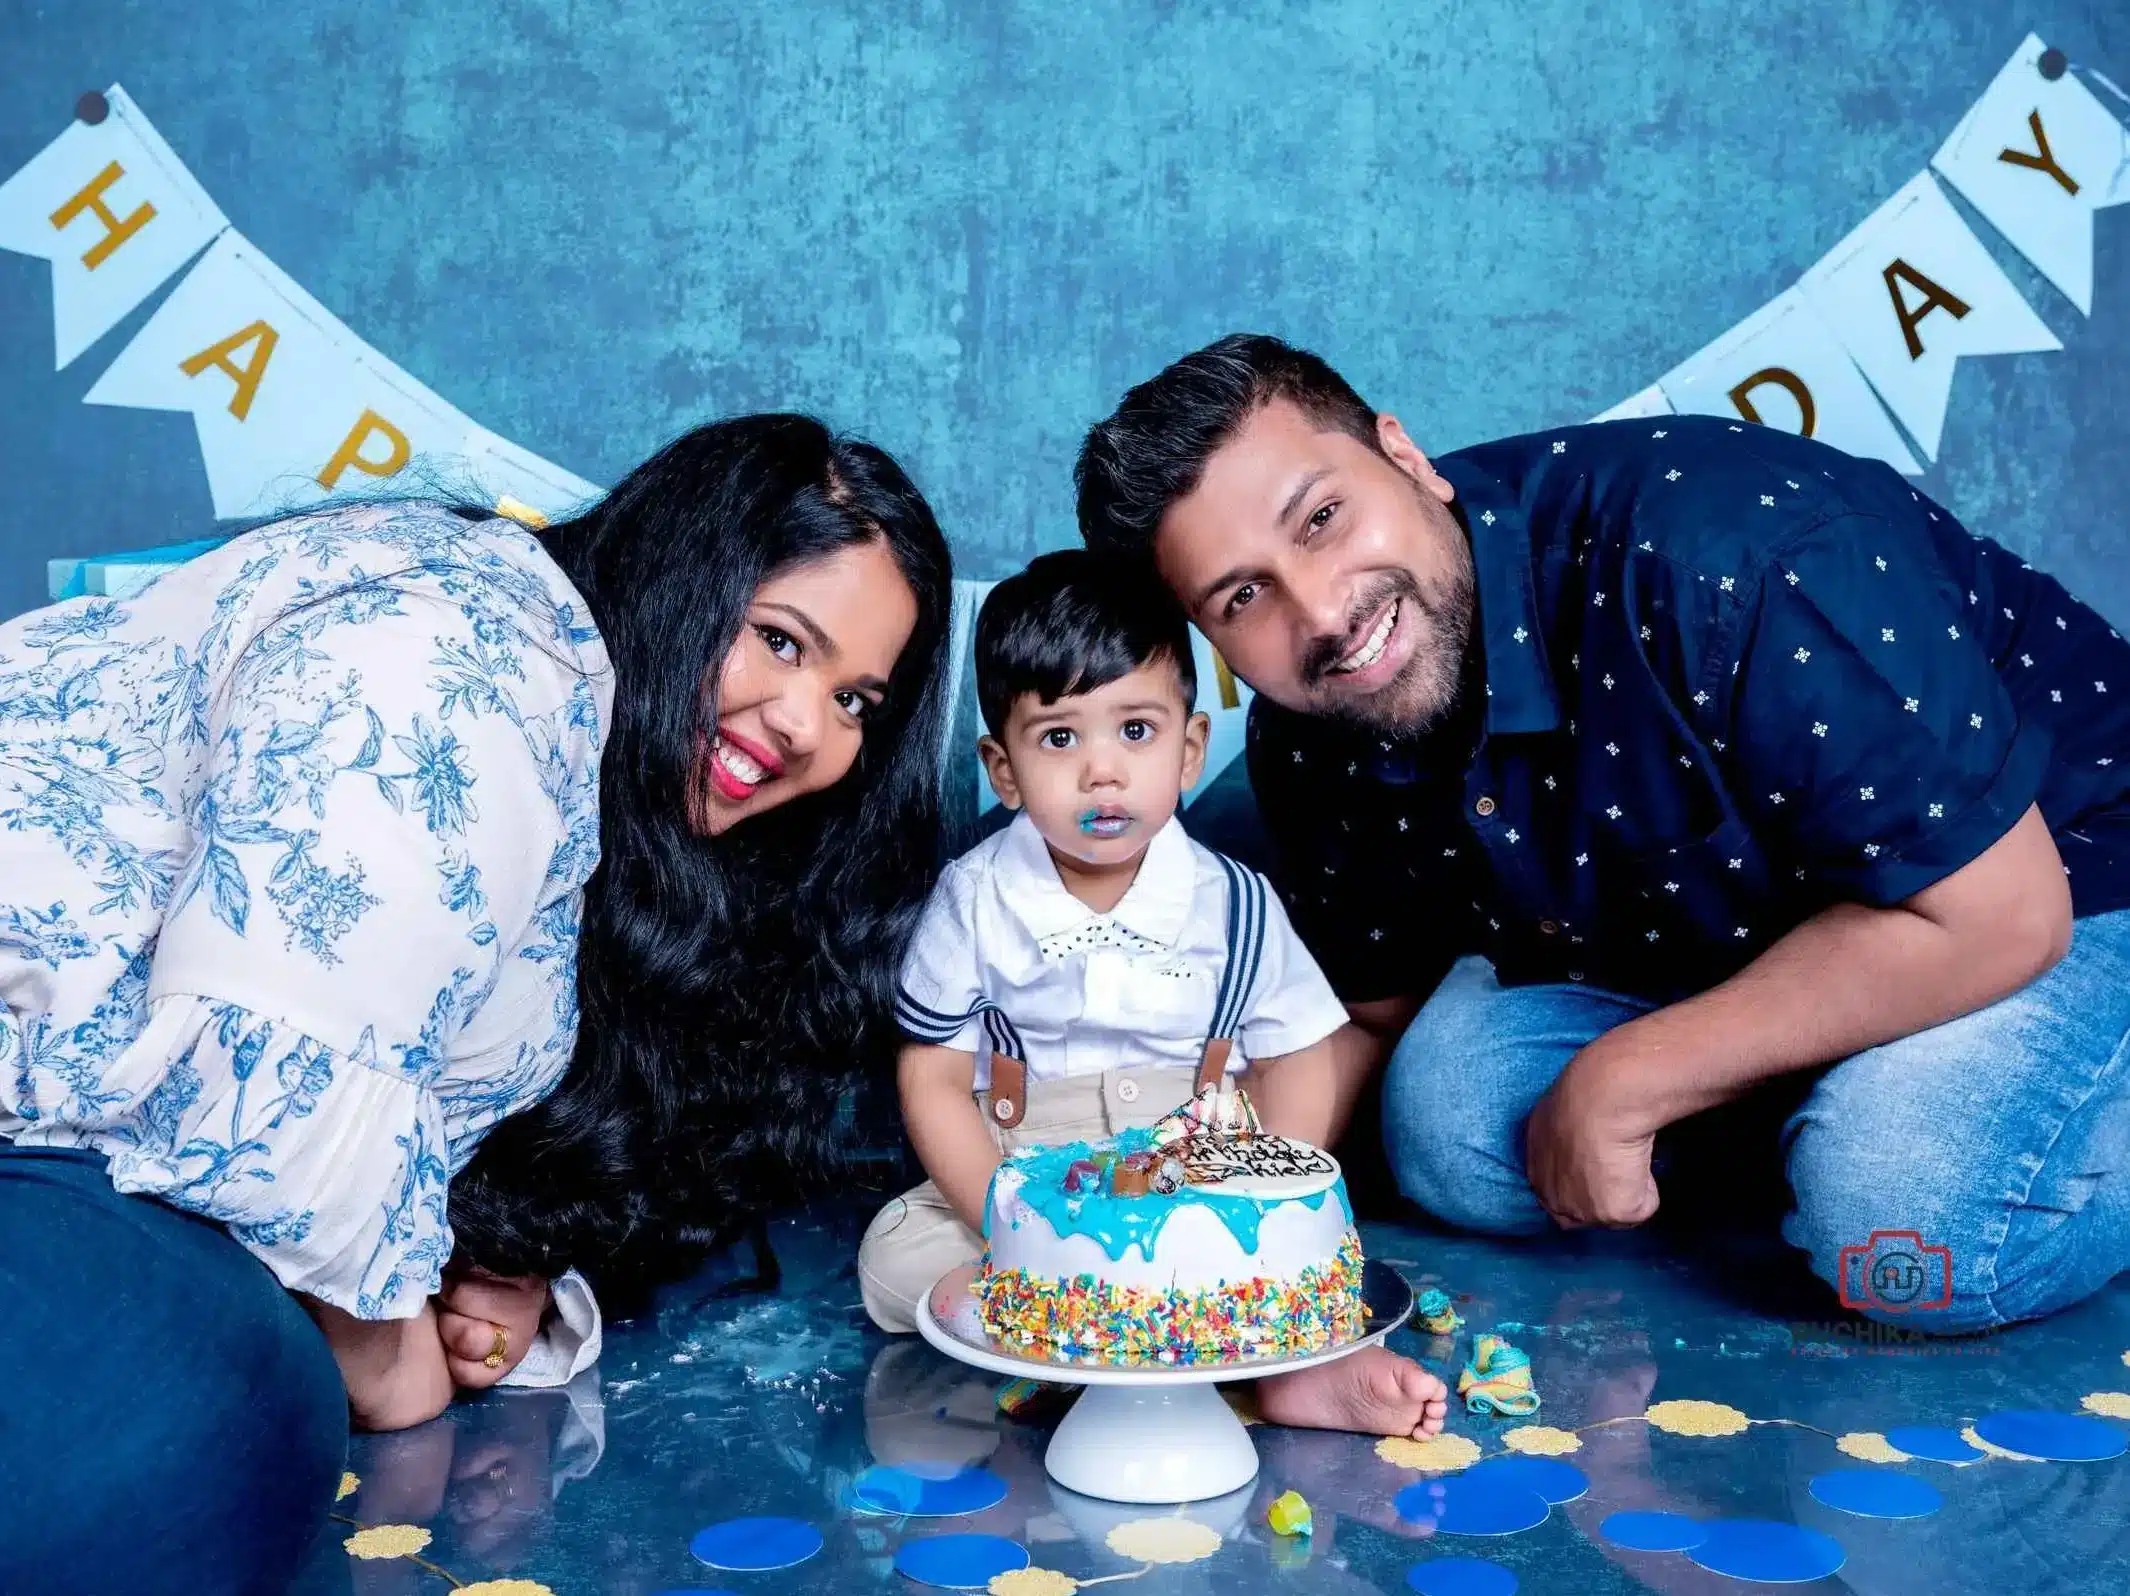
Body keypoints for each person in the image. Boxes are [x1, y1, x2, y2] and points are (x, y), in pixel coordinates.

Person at [0, 413, 953, 1596]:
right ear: (676, 577)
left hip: (86, 1180)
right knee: (207, 1394)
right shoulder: (473, 660)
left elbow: (407, 1060)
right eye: (778, 640)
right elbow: (257, 1100)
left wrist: (488, 1262)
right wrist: (395, 1356)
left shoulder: (584, 764)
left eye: (857, 699)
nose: (808, 725)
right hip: (49, 1160)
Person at [1075, 332, 2130, 1335]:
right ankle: (1824, 1120)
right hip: (1749, 946)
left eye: (1321, 520)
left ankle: (1876, 1145)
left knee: (1902, 1217)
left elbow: (2003, 914)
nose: (1321, 612)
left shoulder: (1732, 558)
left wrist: (1630, 1079)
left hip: (2057, 883)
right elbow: (1377, 1014)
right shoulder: (1313, 726)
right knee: (1451, 1123)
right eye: (1244, 595)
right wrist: (1184, 1200)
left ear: (1403, 454)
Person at [860, 549, 1449, 1438]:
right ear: (1003, 768)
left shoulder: (1235, 904)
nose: (1102, 772)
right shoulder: (976, 898)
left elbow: (1297, 1053)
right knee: (895, 1263)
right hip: (1019, 1165)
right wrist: (1009, 1224)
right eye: (1060, 738)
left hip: (1198, 1166)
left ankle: (1294, 1374)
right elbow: (933, 1077)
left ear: (1189, 747)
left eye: (1135, 731)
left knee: (1301, 1258)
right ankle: (1066, 1334)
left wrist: (1255, 1203)